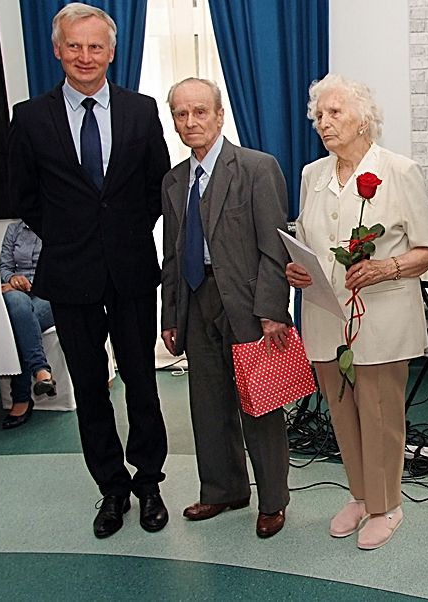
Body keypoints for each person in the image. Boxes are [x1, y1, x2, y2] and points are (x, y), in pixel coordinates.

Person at [7, 3, 170, 538]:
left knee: (142, 381)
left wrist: (121, 232)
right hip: (70, 274)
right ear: (57, 50)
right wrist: (71, 235)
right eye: (74, 46)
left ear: (111, 52)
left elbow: (157, 187)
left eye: (95, 46)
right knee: (90, 388)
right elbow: (25, 196)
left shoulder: (141, 110)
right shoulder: (30, 117)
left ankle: (149, 483)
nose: (85, 56)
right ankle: (112, 489)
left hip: (131, 270)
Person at [286, 73, 428, 550]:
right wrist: (298, 269)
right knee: (341, 411)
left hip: (382, 315)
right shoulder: (312, 175)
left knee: (379, 413)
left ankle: (387, 504)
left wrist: (386, 267)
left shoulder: (399, 170)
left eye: (334, 113)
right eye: (319, 115)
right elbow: (308, 240)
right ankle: (359, 494)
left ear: (363, 120)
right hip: (325, 313)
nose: (323, 122)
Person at [160, 78, 294, 539]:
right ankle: (224, 489)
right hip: (195, 299)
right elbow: (172, 255)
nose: (191, 121)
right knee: (207, 402)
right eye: (181, 114)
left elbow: (275, 247)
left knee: (260, 404)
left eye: (200, 111)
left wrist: (272, 310)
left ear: (219, 115)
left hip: (248, 304)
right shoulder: (174, 180)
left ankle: (272, 500)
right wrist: (170, 314)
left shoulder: (256, 168)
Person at [0, 221, 56, 429]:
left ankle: (21, 398)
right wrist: (13, 278)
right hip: (18, 295)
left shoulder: (55, 223)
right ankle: (41, 371)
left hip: (48, 294)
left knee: (21, 325)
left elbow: (62, 265)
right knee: (17, 304)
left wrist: (36, 284)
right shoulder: (13, 229)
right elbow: (4, 267)